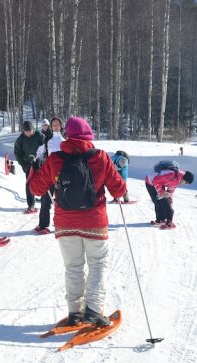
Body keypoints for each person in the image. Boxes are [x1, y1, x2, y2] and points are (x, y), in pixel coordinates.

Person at [28, 116, 127, 327]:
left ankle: (74, 312)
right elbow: (119, 189)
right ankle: (93, 309)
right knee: (98, 263)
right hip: (94, 220)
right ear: (88, 136)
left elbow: (36, 188)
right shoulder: (100, 157)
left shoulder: (55, 159)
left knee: (73, 266)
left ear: (68, 135)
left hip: (65, 222)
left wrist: (35, 169)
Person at [33, 117, 64, 234]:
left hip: (62, 175)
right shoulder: (47, 142)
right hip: (49, 174)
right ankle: (43, 225)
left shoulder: (65, 142)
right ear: (51, 127)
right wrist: (38, 161)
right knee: (46, 200)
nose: (56, 126)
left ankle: (63, 223)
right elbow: (39, 154)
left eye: (57, 124)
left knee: (62, 200)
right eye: (54, 125)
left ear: (61, 126)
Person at [145, 162, 194, 230]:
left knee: (164, 201)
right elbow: (156, 180)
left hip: (158, 184)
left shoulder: (178, 180)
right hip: (150, 182)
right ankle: (168, 222)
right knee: (158, 201)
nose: (185, 184)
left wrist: (169, 199)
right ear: (184, 178)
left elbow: (170, 192)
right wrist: (161, 192)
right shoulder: (172, 175)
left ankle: (161, 219)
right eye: (186, 183)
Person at [14, 120, 45, 213]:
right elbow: (17, 153)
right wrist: (23, 164)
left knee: (44, 183)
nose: (28, 133)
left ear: (33, 129)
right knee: (29, 185)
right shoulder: (20, 139)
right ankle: (31, 205)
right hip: (29, 165)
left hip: (41, 163)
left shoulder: (40, 136)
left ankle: (45, 202)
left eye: (30, 131)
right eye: (26, 131)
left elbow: (46, 148)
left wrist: (43, 160)